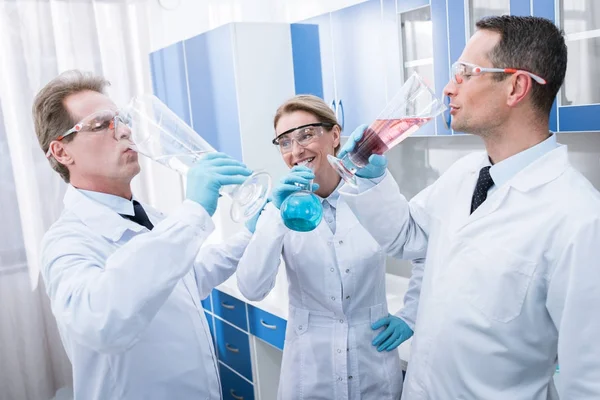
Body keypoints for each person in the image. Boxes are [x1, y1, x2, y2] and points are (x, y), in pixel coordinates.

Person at [338, 15, 600, 399]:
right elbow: (407, 238)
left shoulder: (579, 219)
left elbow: (588, 381)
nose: (447, 88)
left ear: (516, 87)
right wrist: (373, 180)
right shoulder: (466, 174)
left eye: (464, 73)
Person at [34, 70, 259, 400]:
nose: (125, 131)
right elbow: (102, 322)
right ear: (62, 152)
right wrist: (194, 210)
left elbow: (190, 275)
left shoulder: (149, 216)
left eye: (122, 120)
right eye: (102, 124)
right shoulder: (65, 242)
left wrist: (253, 233)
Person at [235, 95, 412, 400]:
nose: (296, 150)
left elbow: (421, 249)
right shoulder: (278, 212)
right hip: (311, 374)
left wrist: (411, 314)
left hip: (373, 368)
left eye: (306, 134)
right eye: (285, 142)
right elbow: (251, 288)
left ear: (334, 135)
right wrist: (275, 215)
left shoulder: (370, 194)